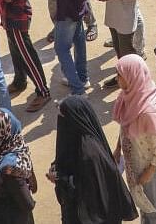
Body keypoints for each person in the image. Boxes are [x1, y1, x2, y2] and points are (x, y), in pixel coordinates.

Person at [50, 96, 138, 224]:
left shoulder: (90, 153)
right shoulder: (81, 136)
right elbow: (66, 158)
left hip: (91, 215)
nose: (61, 121)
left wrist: (60, 178)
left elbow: (86, 187)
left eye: (64, 117)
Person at [112, 54, 156, 224]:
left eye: (120, 75)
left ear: (132, 75)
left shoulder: (148, 111)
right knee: (145, 210)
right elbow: (125, 126)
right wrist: (118, 148)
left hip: (148, 169)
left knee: (153, 210)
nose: (117, 79)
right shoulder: (129, 96)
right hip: (135, 164)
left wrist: (148, 173)